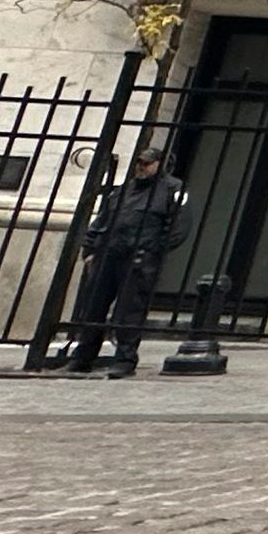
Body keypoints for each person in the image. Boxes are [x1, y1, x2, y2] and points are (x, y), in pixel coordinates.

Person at [60, 148, 190, 376]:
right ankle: (82, 357)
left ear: (160, 164)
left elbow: (178, 227)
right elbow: (103, 219)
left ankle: (125, 359)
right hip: (108, 253)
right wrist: (90, 249)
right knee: (93, 307)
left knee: (130, 310)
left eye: (147, 163)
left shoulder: (172, 189)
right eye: (139, 162)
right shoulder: (124, 190)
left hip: (139, 257)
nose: (141, 166)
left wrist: (153, 250)